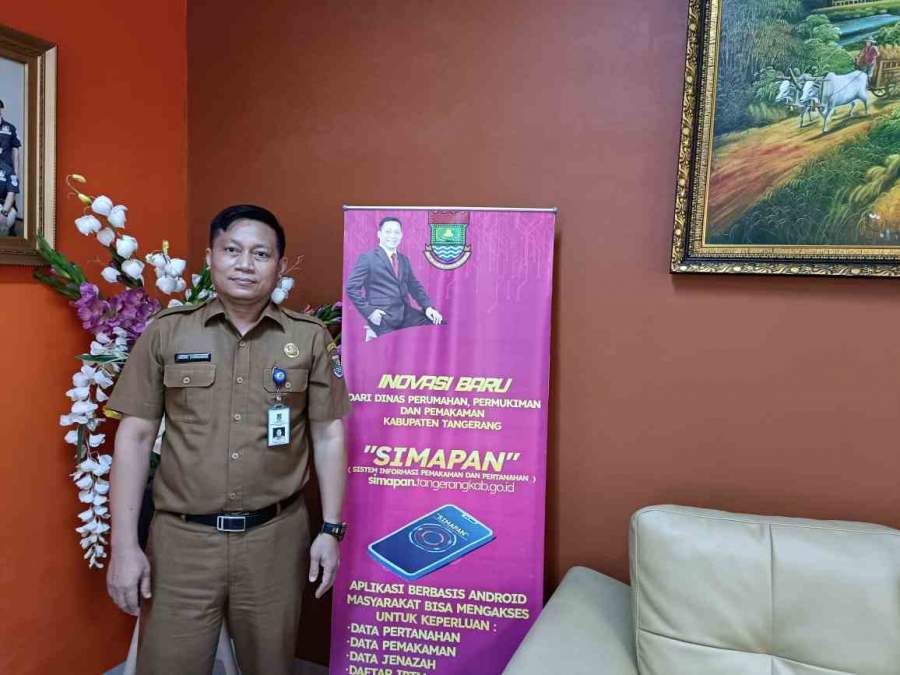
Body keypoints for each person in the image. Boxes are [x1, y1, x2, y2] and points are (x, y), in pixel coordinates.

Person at [106, 204, 351, 675]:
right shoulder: (168, 332)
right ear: (210, 258)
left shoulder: (309, 338)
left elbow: (328, 435)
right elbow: (134, 438)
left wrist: (331, 529)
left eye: (261, 254)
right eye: (232, 250)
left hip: (274, 540)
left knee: (270, 665)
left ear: (280, 266)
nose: (245, 264)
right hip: (182, 542)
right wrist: (124, 545)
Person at [345, 216, 444, 339]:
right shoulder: (367, 258)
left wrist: (428, 307)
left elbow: (414, 286)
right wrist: (370, 312)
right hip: (384, 317)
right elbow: (351, 287)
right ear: (379, 234)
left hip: (406, 314)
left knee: (439, 326)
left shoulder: (404, 260)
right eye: (388, 232)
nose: (392, 236)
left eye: (396, 232)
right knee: (395, 347)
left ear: (401, 235)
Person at [0, 99, 22, 236]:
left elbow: (16, 151)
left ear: (1, 109)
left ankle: (11, 231)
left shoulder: (10, 128)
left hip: (7, 170)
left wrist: (16, 172)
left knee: (10, 199)